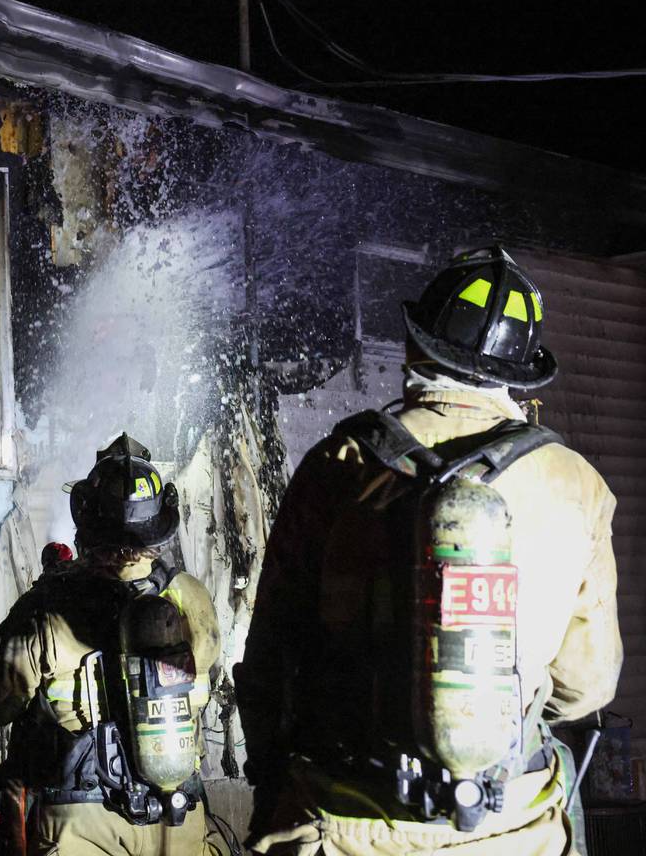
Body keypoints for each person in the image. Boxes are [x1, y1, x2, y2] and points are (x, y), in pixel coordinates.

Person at [235, 246, 622, 855]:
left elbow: (268, 662)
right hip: (511, 830)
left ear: (417, 348)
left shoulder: (339, 464)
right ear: (520, 376)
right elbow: (588, 687)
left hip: (344, 820)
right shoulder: (577, 484)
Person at [0, 433, 222, 856]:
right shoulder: (190, 596)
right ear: (159, 527)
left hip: (83, 823)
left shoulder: (51, 603)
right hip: (178, 817)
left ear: (86, 521)